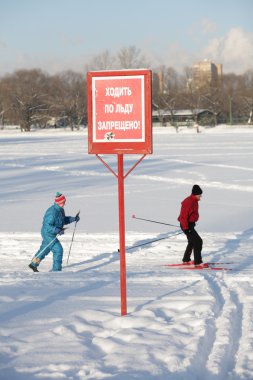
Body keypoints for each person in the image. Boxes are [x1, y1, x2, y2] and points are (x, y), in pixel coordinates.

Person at [28, 192, 80, 272]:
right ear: (60, 202)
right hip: (48, 233)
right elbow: (47, 225)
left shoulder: (60, 210)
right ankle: (56, 271)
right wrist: (57, 230)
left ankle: (33, 264)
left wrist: (73, 219)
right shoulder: (52, 212)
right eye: (64, 202)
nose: (65, 203)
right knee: (58, 250)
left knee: (45, 249)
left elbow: (62, 220)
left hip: (51, 233)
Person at [177, 185, 207, 268]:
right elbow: (183, 216)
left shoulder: (193, 200)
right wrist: (186, 228)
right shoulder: (189, 202)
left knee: (192, 241)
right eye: (199, 194)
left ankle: (186, 260)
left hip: (189, 225)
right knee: (198, 241)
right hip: (186, 225)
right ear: (195, 194)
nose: (201, 196)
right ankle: (198, 262)